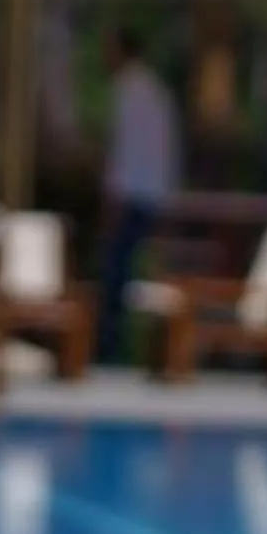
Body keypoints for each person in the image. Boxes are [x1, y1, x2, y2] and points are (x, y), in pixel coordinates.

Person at [96, 24, 181, 363]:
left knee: (118, 280)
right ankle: (130, 352)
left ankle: (112, 354)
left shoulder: (130, 91)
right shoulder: (156, 91)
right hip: (151, 197)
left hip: (132, 199)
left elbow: (123, 150)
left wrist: (112, 199)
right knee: (134, 280)